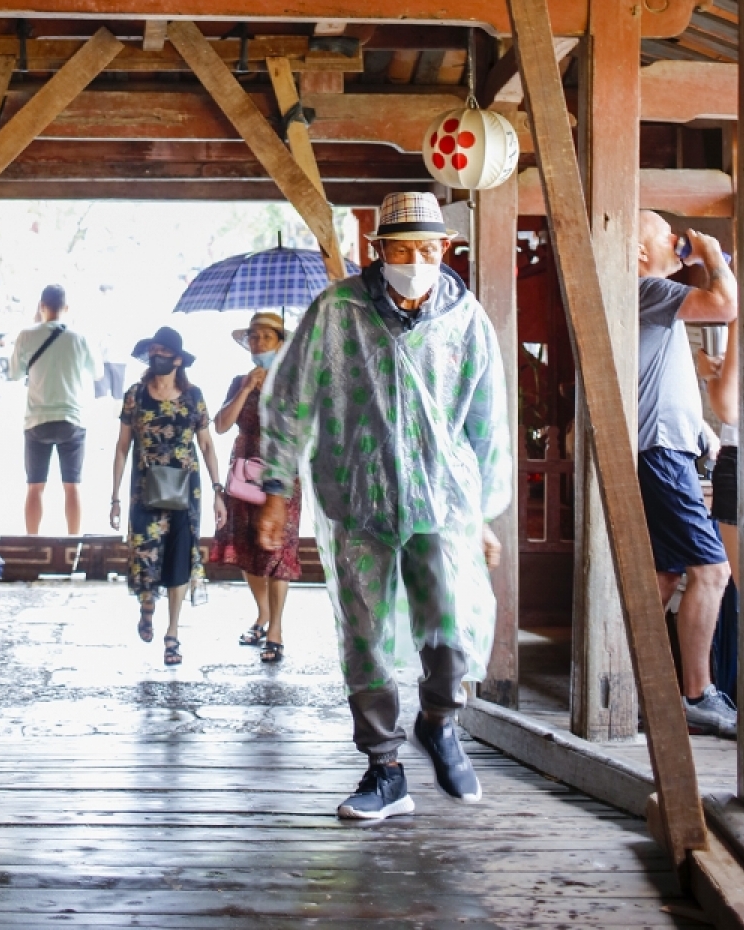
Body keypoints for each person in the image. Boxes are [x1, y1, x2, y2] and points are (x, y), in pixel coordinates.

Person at [258, 191, 511, 821]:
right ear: (379, 251)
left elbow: (486, 419)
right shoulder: (338, 311)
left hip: (444, 500)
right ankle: (384, 766)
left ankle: (440, 722)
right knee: (364, 632)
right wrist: (276, 490)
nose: (417, 261)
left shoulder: (465, 317)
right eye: (403, 250)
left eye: (429, 249)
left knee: (448, 623)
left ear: (445, 249)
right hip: (356, 498)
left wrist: (483, 512)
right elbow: (290, 399)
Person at [637, 212, 738, 738]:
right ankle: (697, 695)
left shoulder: (657, 300)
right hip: (659, 454)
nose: (677, 241)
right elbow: (725, 305)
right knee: (712, 571)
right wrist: (711, 253)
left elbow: (661, 383)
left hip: (668, 448)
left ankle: (633, 684)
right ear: (637, 251)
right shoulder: (645, 289)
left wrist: (703, 434)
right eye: (665, 235)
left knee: (664, 575)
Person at [110, 325, 227, 666]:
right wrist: (114, 497)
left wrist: (218, 491)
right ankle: (147, 605)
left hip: (185, 490)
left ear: (177, 359)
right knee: (145, 555)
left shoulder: (193, 396)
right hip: (144, 490)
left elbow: (206, 445)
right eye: (153, 351)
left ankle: (172, 633)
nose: (156, 356)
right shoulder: (135, 394)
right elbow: (121, 447)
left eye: (163, 352)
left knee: (179, 559)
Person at [210, 311, 300, 664]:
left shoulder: (293, 381)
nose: (259, 343)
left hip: (283, 471)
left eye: (266, 337)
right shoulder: (239, 381)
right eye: (254, 337)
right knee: (247, 546)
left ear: (281, 343)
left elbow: (304, 427)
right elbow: (220, 425)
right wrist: (247, 387)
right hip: (245, 470)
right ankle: (262, 614)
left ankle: (276, 629)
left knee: (279, 549)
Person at [12, 284, 102, 536]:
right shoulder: (79, 337)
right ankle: (73, 545)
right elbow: (98, 373)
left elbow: (14, 373)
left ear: (41, 306)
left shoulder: (26, 335)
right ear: (66, 308)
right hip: (71, 420)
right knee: (72, 487)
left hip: (36, 421)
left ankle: (32, 542)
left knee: (34, 487)